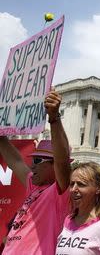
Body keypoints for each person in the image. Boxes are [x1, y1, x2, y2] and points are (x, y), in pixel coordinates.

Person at [0, 89, 72, 254]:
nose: (32, 166)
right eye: (33, 160)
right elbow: (16, 161)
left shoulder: (59, 193)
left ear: (54, 166)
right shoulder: (33, 185)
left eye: (38, 161)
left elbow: (62, 161)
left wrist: (54, 118)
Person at [55, 162, 100, 254]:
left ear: (98, 188)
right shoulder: (68, 220)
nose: (74, 189)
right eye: (71, 184)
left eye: (81, 184)